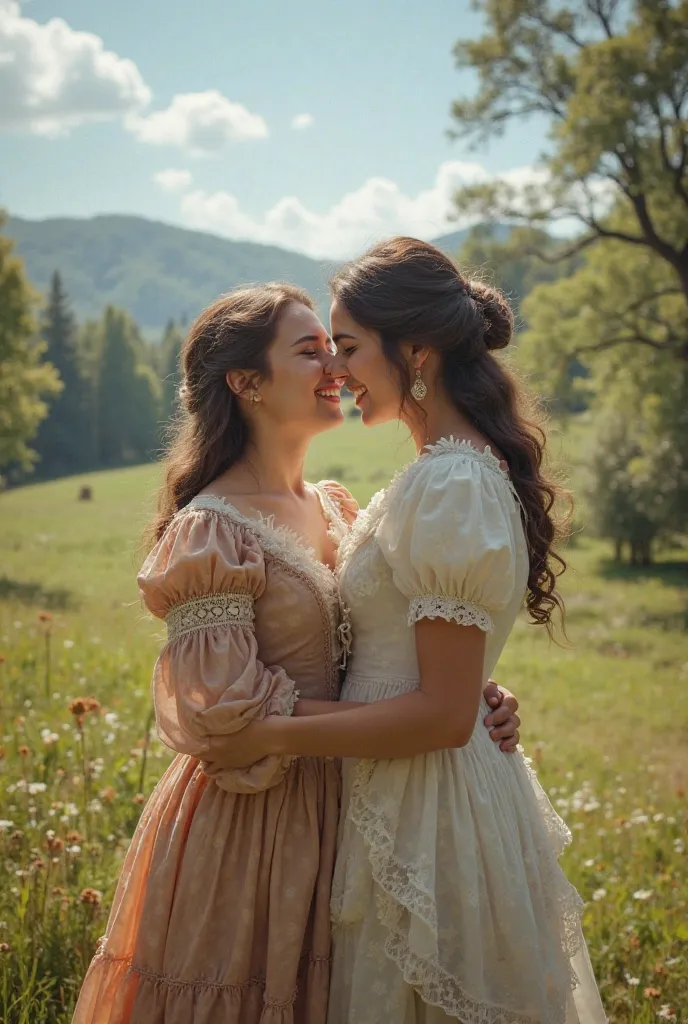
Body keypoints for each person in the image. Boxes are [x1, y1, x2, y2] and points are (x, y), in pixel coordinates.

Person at [72, 281, 521, 1024]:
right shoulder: (209, 531)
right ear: (245, 383)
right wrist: (425, 712)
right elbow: (224, 715)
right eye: (310, 351)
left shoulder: (336, 503)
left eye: (338, 349)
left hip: (356, 804)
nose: (336, 370)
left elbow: (387, 645)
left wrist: (470, 692)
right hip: (255, 822)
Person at [220, 239, 607, 1024]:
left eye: (351, 347)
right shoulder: (442, 472)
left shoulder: (452, 481)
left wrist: (268, 727)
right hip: (399, 788)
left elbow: (437, 712)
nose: (337, 371)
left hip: (428, 808)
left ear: (418, 350)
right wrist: (473, 692)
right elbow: (428, 668)